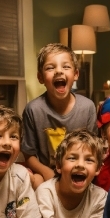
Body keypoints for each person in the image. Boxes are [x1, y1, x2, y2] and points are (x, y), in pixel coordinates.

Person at [21, 43, 97, 189]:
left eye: (66, 66)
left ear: (76, 74)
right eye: (50, 67)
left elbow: (92, 151)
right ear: (40, 77)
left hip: (79, 172)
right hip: (47, 175)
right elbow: (29, 155)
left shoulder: (87, 107)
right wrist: (47, 172)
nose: (58, 71)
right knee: (35, 179)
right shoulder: (33, 109)